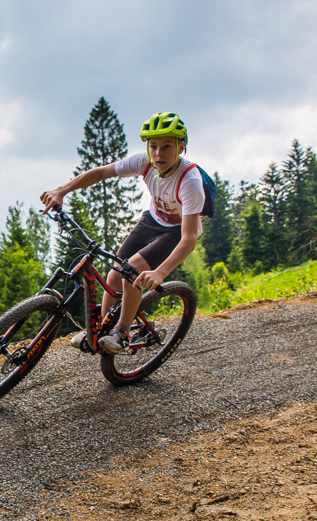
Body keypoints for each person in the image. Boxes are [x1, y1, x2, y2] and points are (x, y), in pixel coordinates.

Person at [39, 112, 202, 353]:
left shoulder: (190, 181)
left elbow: (190, 238)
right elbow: (102, 172)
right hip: (152, 220)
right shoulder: (145, 162)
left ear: (181, 146)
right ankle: (101, 331)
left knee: (131, 270)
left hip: (177, 230)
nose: (158, 154)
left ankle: (122, 333)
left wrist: (160, 272)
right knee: (115, 274)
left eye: (167, 146)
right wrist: (61, 191)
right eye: (153, 146)